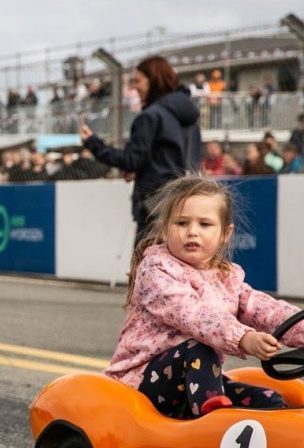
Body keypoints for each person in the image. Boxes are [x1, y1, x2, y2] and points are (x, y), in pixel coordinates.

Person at [105, 175, 304, 418]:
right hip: (143, 382)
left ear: (225, 233)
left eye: (205, 224)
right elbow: (193, 315)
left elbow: (264, 308)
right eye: (181, 223)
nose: (192, 232)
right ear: (166, 228)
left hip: (198, 382)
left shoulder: (226, 276)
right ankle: (214, 423)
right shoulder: (156, 270)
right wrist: (244, 337)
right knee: (198, 348)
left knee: (269, 400)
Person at [81, 56, 202, 243]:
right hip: (188, 199)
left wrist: (93, 143)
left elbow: (132, 159)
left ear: (154, 80)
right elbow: (169, 156)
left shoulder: (150, 116)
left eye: (137, 81)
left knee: (146, 265)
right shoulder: (188, 115)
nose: (134, 87)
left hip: (155, 203)